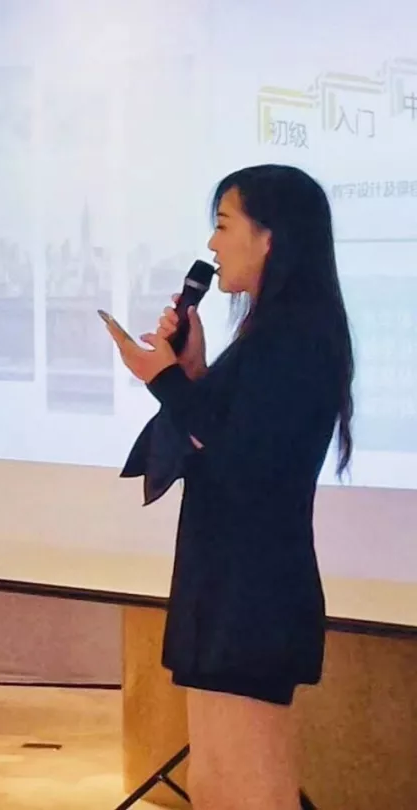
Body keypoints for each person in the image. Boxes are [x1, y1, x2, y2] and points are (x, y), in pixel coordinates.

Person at [105, 164, 355, 809]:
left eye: (223, 225)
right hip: (224, 584)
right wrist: (190, 372)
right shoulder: (271, 335)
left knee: (251, 783)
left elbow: (246, 458)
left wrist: (164, 380)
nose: (212, 246)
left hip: (254, 591)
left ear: (269, 237)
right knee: (215, 779)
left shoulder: (297, 336)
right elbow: (228, 434)